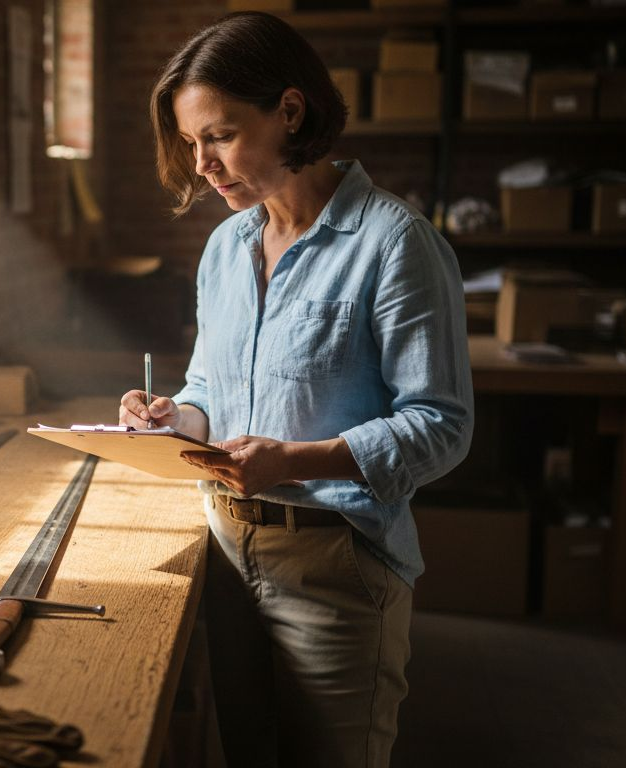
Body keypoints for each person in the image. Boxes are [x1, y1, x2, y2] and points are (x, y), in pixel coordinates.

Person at [118, 12, 473, 768]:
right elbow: (216, 387)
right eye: (190, 144)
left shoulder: (393, 243)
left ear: (289, 111)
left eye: (218, 134)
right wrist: (172, 416)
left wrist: (295, 460)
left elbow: (441, 425)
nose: (204, 164)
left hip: (335, 564)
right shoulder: (226, 245)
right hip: (224, 545)